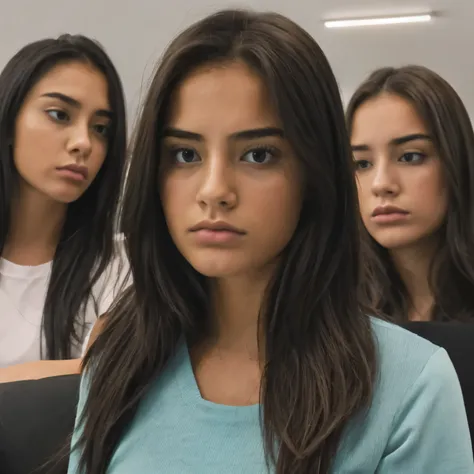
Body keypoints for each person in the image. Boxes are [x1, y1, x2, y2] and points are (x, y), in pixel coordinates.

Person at [68, 10, 473, 474]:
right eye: (185, 154)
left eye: (258, 154)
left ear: (314, 171)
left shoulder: (410, 387)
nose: (214, 190)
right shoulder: (119, 362)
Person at [0, 34, 129, 380]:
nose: (83, 143)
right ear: (10, 120)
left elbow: (97, 378)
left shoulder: (121, 270)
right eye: (59, 115)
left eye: (100, 128)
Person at [348, 65, 474, 322]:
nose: (381, 184)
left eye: (410, 157)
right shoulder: (337, 312)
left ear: (455, 162)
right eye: (362, 164)